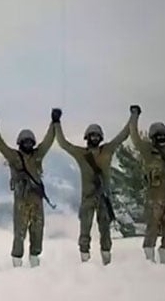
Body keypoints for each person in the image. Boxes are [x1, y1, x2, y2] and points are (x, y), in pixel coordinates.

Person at [54, 108, 131, 265]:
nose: (95, 138)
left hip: (104, 198)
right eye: (92, 135)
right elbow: (63, 144)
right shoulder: (81, 154)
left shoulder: (107, 150)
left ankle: (106, 261)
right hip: (88, 198)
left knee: (105, 231)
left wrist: (133, 116)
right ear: (87, 137)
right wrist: (56, 122)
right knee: (85, 231)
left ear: (100, 137)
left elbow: (123, 135)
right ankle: (85, 261)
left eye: (97, 136)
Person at [0, 111, 56, 268]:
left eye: (30, 142)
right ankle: (17, 263)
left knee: (38, 231)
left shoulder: (38, 155)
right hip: (21, 200)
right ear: (20, 142)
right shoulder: (13, 156)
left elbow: (48, 141)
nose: (28, 144)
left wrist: (54, 122)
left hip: (36, 200)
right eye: (25, 141)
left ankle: (35, 261)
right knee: (19, 233)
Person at [129, 105, 165, 264]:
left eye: (164, 135)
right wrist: (134, 116)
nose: (162, 138)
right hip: (155, 196)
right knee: (153, 228)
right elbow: (134, 136)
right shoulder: (147, 151)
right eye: (159, 135)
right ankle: (148, 262)